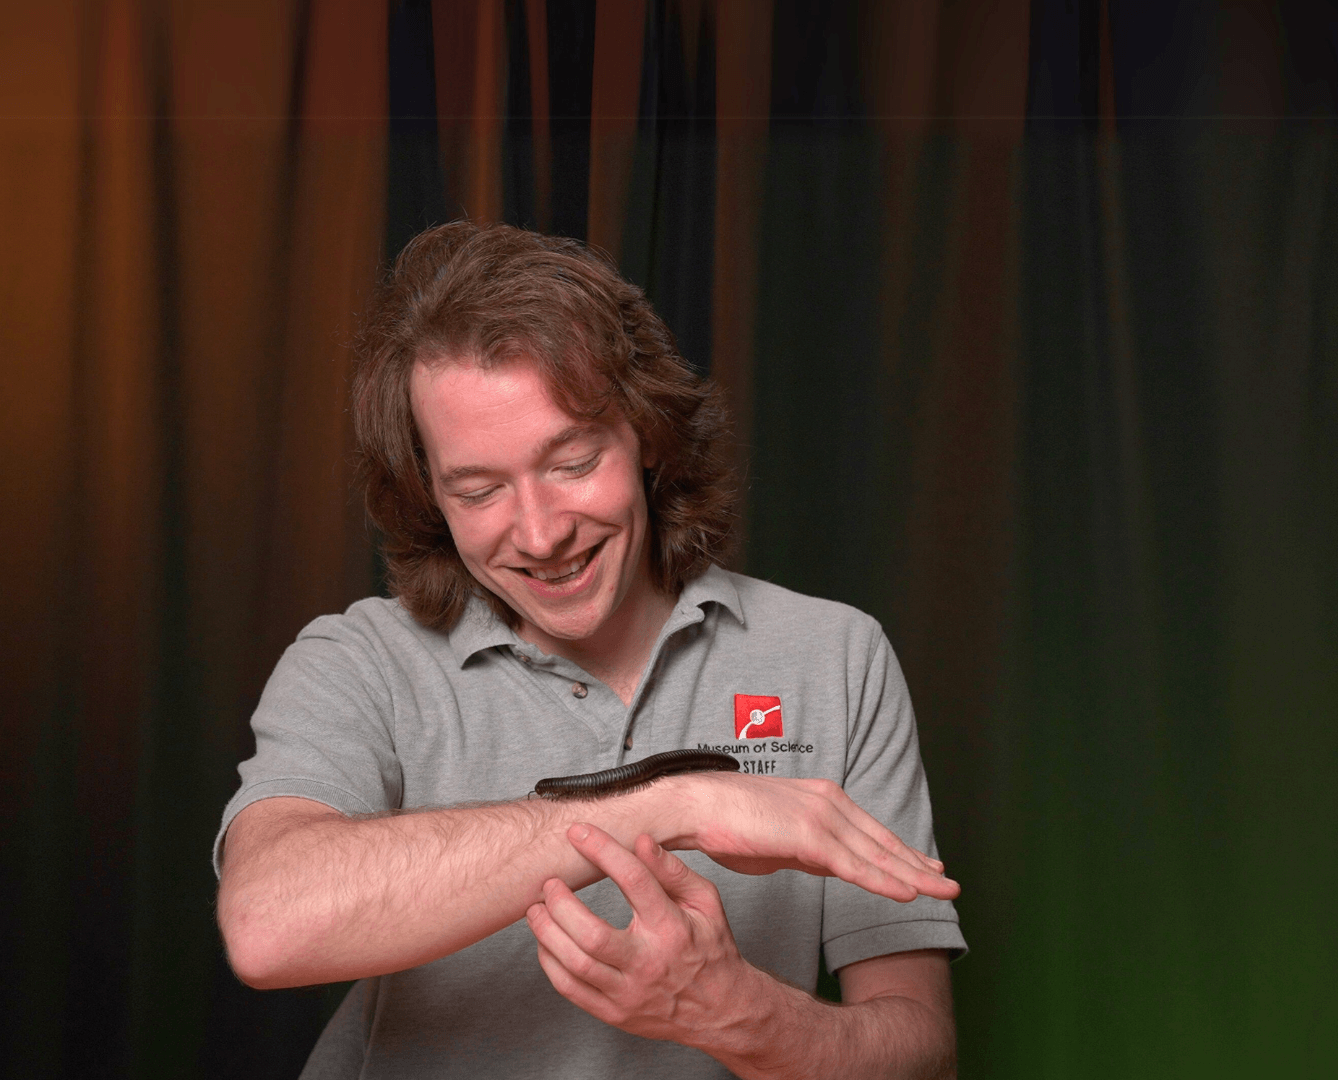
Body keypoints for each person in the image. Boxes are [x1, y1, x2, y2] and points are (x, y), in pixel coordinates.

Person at [214, 221, 966, 1079]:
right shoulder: (359, 661)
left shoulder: (835, 655)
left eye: (571, 462)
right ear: (429, 489)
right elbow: (267, 925)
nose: (539, 534)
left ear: (645, 434)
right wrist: (669, 808)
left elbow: (921, 1053)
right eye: (479, 488)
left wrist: (746, 1018)